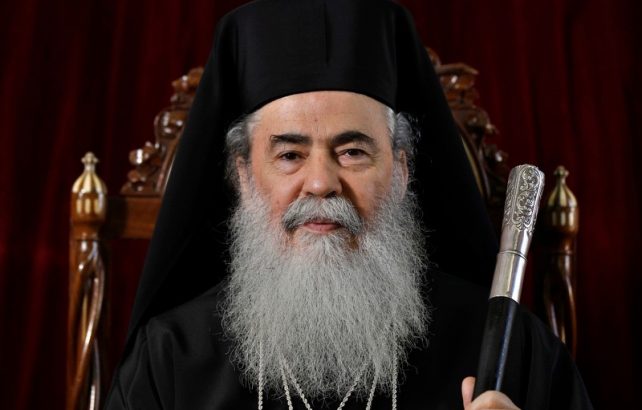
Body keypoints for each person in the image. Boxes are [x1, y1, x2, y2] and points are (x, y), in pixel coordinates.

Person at [105, 0, 593, 409]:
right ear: (245, 177)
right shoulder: (169, 360)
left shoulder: (508, 353)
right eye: (290, 155)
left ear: (400, 171)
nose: (321, 183)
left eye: (353, 152)